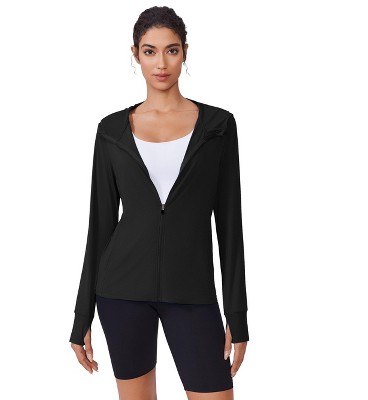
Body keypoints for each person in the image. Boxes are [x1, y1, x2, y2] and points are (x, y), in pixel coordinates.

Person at [69, 6, 249, 399]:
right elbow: (100, 226)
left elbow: (229, 225)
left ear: (185, 52)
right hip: (120, 292)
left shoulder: (218, 126)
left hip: (193, 292)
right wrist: (82, 315)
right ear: (135, 54)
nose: (161, 63)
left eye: (171, 50)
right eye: (150, 51)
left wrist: (237, 312)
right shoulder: (111, 130)